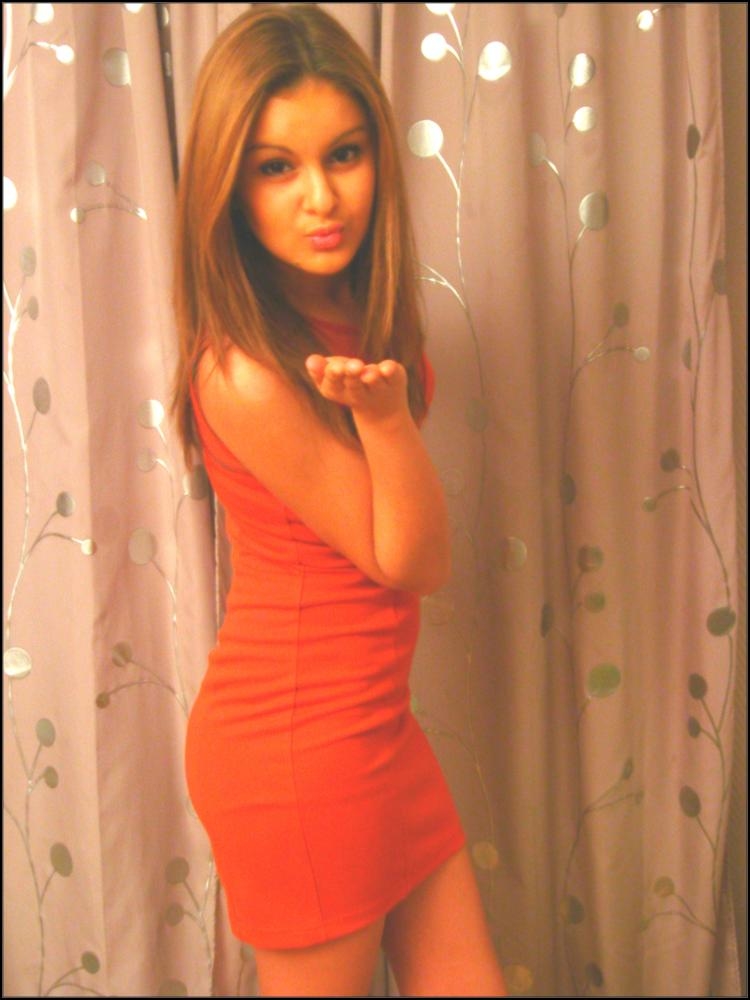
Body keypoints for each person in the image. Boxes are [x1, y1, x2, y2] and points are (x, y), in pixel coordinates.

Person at [172, 5, 506, 996]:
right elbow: (413, 561)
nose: (322, 197)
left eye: (345, 154)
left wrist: (387, 413)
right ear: (229, 187)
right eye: (277, 167)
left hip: (377, 732)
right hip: (294, 753)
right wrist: (390, 422)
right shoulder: (240, 369)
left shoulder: (353, 310)